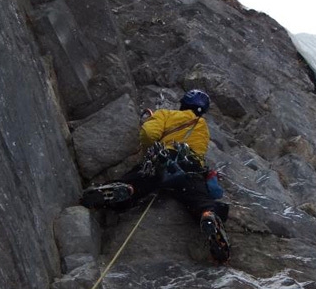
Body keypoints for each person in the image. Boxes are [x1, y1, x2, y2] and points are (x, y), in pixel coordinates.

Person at [80, 90, 230, 262]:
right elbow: (199, 154)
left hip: (162, 161)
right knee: (198, 197)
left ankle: (126, 189)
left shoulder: (166, 114)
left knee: (140, 180)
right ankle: (208, 214)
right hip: (189, 169)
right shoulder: (202, 126)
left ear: (183, 104)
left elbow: (149, 133)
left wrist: (148, 153)